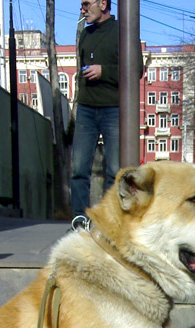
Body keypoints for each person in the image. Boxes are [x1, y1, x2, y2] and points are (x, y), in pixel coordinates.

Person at [71, 0, 144, 217]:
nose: (82, 10)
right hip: (86, 109)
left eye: (86, 4)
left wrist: (104, 71)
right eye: (81, 5)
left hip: (113, 109)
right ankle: (79, 220)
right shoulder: (85, 34)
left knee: (114, 171)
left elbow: (136, 70)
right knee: (78, 170)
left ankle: (110, 220)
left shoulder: (123, 31)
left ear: (103, 3)